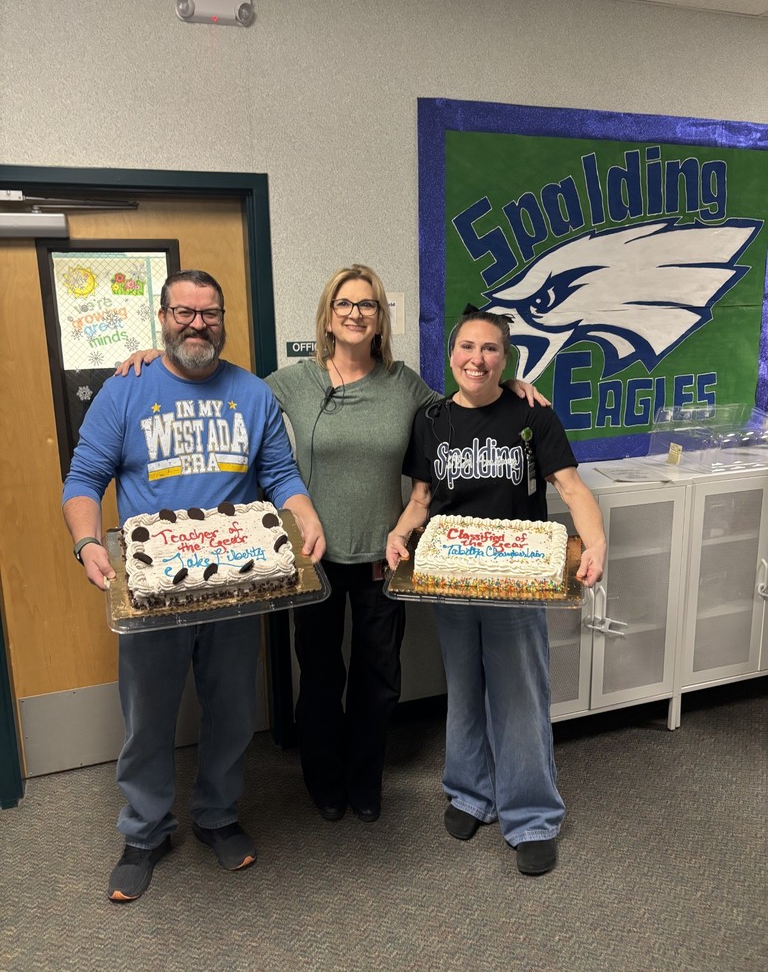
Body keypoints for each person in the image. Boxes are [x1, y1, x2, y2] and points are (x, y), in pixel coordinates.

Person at [116, 265, 547, 824]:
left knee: (379, 679)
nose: (355, 313)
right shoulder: (292, 383)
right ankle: (323, 780)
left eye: (367, 305)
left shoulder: (404, 384)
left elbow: (466, 402)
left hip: (381, 558)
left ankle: (365, 779)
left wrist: (510, 388)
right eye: (344, 303)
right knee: (319, 679)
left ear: (379, 319)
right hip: (313, 560)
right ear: (327, 314)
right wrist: (154, 359)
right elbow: (218, 384)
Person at [63, 269, 324, 903]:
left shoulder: (252, 393)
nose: (197, 324)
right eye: (184, 312)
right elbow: (83, 479)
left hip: (236, 585)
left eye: (208, 313)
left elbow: (279, 472)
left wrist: (305, 510)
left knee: (233, 710)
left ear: (223, 317)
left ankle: (217, 815)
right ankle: (145, 832)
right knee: (148, 719)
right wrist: (88, 542)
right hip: (152, 591)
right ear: (163, 316)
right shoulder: (125, 389)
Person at [386, 309, 606, 876]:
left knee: (518, 695)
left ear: (505, 359)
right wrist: (400, 531)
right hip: (453, 579)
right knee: (464, 688)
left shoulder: (530, 413)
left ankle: (532, 815)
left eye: (489, 349)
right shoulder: (430, 419)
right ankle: (469, 792)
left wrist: (597, 542)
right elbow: (421, 498)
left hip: (518, 583)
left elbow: (571, 486)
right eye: (466, 346)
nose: (476, 358)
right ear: (451, 353)